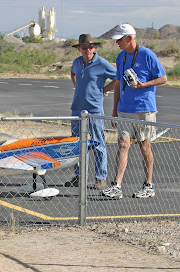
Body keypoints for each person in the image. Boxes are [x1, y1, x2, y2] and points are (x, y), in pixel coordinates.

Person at [101, 23, 167, 199]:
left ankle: (148, 185)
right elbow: (118, 84)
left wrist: (144, 85)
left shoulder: (147, 54)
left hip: (144, 109)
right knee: (123, 144)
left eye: (120, 40)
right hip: (125, 109)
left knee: (144, 145)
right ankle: (117, 186)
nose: (117, 43)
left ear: (130, 38)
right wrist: (115, 109)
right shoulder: (121, 57)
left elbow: (163, 78)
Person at [64, 34, 117, 190]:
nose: (88, 50)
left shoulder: (101, 63)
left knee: (98, 142)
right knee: (77, 144)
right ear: (79, 49)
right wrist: (76, 85)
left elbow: (117, 77)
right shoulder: (77, 62)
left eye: (91, 47)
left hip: (94, 109)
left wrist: (104, 89)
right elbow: (72, 73)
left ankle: (101, 177)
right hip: (77, 108)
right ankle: (79, 175)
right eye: (85, 47)